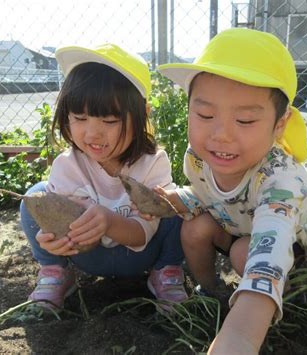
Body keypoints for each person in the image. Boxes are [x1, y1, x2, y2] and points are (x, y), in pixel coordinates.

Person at [139, 28, 307, 353]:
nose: (221, 134)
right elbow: (211, 196)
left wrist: (238, 338)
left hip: (286, 246)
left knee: (245, 254)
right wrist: (176, 200)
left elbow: (271, 243)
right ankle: (212, 292)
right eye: (205, 115)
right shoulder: (198, 159)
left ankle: (269, 303)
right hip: (239, 226)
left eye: (245, 120)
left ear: (279, 123)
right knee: (194, 227)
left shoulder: (281, 179)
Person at [19, 43, 188, 310]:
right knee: (33, 197)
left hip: (142, 255)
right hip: (90, 257)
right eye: (80, 117)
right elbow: (69, 230)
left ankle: (166, 272)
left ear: (143, 114)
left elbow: (143, 235)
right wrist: (55, 241)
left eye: (109, 121)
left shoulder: (153, 162)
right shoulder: (67, 166)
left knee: (177, 203)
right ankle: (55, 272)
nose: (92, 134)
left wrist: (109, 222)